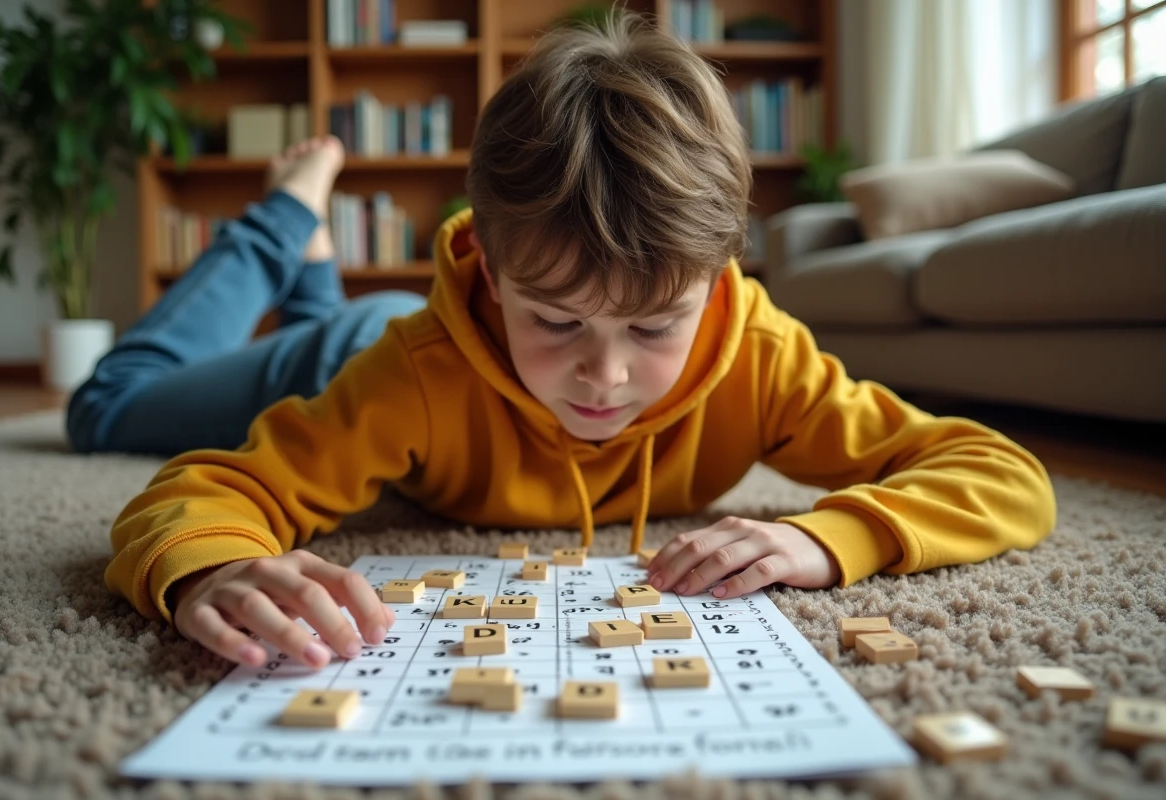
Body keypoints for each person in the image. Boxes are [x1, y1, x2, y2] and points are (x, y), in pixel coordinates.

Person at [91, 12, 1056, 672]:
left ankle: (314, 259)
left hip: (406, 361)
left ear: (719, 279)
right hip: (364, 344)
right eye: (555, 321)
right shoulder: (415, 376)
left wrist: (828, 534)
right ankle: (286, 223)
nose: (606, 373)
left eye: (654, 325)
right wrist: (210, 564)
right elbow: (198, 491)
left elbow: (1001, 471)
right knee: (109, 411)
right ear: (494, 272)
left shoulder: (760, 354)